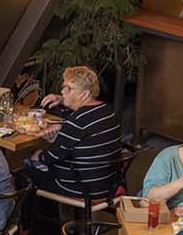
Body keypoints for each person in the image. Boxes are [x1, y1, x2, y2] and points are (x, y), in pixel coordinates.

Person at [22, 66, 122, 210]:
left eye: (69, 88)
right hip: (108, 183)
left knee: (26, 169)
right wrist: (62, 101)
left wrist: (38, 155)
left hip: (82, 188)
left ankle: (37, 228)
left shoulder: (78, 120)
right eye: (63, 86)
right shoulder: (106, 111)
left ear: (85, 94)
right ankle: (68, 224)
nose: (63, 91)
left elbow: (52, 156)